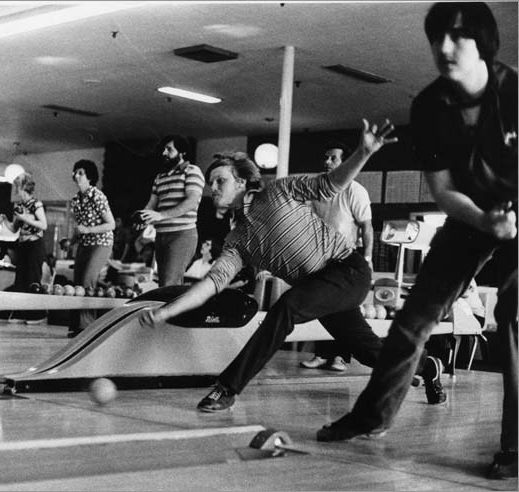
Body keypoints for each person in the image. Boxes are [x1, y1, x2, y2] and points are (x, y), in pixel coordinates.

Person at [316, 3, 517, 481]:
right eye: (436, 37)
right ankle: (371, 416)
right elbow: (444, 191)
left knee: (513, 315)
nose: (444, 48)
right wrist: (484, 219)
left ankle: (516, 446)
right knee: (412, 320)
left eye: (458, 36)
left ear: (484, 42)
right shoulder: (428, 107)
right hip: (472, 214)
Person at [140, 119, 446, 414]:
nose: (214, 188)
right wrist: (167, 311)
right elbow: (212, 283)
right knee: (370, 352)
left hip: (347, 271)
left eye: (221, 181)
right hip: (318, 287)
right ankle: (427, 366)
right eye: (211, 184)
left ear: (241, 182)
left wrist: (363, 152)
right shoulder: (237, 240)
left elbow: (330, 184)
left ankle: (227, 388)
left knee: (285, 307)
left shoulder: (279, 191)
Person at [301, 142, 374, 372]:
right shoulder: (318, 189)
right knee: (322, 305)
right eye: (326, 157)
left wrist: (368, 258)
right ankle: (322, 354)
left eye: (333, 158)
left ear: (346, 162)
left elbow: (367, 227)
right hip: (320, 257)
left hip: (346, 259)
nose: (327, 162)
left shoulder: (356, 190)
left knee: (343, 307)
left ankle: (340, 357)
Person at [139, 135, 205, 287]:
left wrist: (161, 215)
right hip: (161, 235)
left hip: (182, 234)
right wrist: (142, 217)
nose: (164, 153)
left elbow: (191, 202)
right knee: (164, 284)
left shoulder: (192, 171)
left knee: (170, 283)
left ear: (182, 152)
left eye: (169, 149)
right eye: (164, 149)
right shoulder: (160, 177)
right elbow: (151, 204)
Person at [68, 160, 115, 338]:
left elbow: (111, 224)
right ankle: (75, 324)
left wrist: (88, 230)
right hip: (85, 243)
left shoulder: (97, 195)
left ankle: (86, 327)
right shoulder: (75, 200)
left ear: (90, 177)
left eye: (80, 172)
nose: (76, 175)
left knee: (87, 280)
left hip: (102, 243)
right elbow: (79, 228)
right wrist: (70, 242)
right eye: (75, 172)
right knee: (77, 283)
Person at [0, 172, 48, 324]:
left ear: (23, 186)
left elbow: (43, 225)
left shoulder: (36, 204)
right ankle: (20, 313)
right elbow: (15, 229)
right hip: (23, 245)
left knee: (33, 279)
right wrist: (5, 221)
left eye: (17, 186)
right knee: (20, 279)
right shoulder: (19, 206)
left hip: (35, 245)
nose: (15, 189)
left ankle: (37, 314)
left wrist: (24, 217)